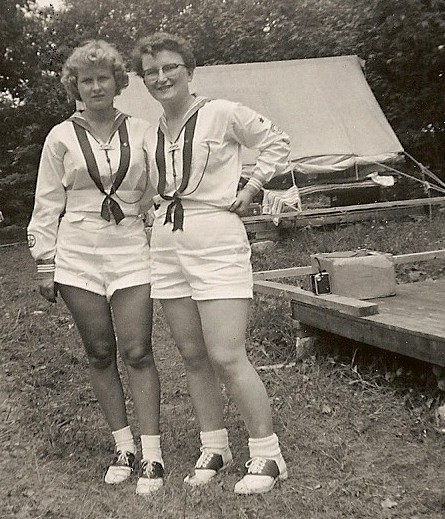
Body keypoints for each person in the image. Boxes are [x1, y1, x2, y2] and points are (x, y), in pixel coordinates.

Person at [132, 32, 290, 495]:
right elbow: (147, 186)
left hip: (216, 236)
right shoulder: (151, 130)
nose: (161, 78)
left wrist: (253, 186)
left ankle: (268, 454)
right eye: (151, 72)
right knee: (191, 353)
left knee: (226, 352)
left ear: (189, 68)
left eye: (170, 67)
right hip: (165, 240)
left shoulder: (222, 112)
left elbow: (276, 141)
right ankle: (214, 447)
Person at [27, 40, 163, 496]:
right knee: (100, 352)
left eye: (104, 77)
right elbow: (47, 203)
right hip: (77, 251)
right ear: (75, 86)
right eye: (87, 79)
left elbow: (163, 186)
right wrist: (45, 262)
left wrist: (147, 211)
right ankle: (123, 447)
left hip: (128, 247)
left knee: (138, 351)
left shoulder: (145, 129)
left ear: (118, 81)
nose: (96, 86)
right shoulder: (60, 136)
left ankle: (152, 453)